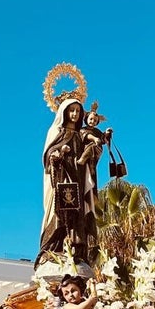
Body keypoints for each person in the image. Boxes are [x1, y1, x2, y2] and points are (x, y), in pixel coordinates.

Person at [37, 92, 99, 266]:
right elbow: (48, 155)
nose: (74, 114)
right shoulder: (56, 131)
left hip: (78, 179)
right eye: (71, 110)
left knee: (78, 212)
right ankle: (54, 248)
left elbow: (91, 150)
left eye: (78, 111)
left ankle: (77, 249)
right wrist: (56, 154)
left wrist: (97, 144)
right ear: (64, 112)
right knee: (59, 213)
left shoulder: (80, 134)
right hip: (61, 180)